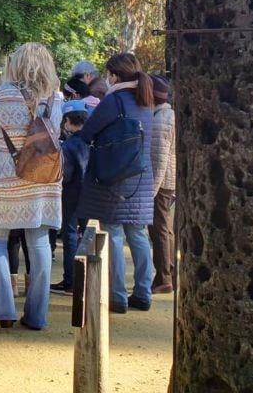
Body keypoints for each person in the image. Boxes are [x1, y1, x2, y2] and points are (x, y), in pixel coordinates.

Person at [0, 43, 63, 331]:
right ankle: (37, 315)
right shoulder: (55, 98)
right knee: (39, 243)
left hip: (7, 178)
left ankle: (3, 310)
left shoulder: (4, 94)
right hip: (43, 179)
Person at [75, 53, 156, 313]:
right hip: (141, 178)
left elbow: (88, 132)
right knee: (139, 235)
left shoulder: (115, 101)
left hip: (114, 176)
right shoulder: (146, 100)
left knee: (114, 235)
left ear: (114, 75)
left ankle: (118, 296)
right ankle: (143, 292)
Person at [50, 100, 91, 295]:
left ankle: (70, 280)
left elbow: (65, 175)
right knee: (87, 235)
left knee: (70, 235)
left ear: (67, 120)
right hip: (92, 194)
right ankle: (88, 278)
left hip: (72, 195)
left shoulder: (69, 146)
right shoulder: (93, 140)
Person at [149, 75, 176, 294]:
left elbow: (159, 159)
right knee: (165, 228)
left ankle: (163, 276)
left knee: (159, 229)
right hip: (166, 181)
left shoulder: (160, 120)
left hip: (161, 183)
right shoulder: (166, 115)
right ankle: (169, 272)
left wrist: (151, 191)